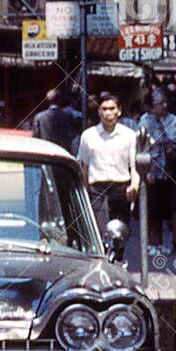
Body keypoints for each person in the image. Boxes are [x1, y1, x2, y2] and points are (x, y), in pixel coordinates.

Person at [74, 93, 140, 250]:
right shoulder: (88, 136)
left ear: (119, 111)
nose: (108, 113)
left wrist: (134, 185)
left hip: (121, 187)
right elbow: (84, 166)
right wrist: (85, 191)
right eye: (104, 109)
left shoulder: (129, 135)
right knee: (96, 230)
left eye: (111, 109)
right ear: (98, 112)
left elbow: (134, 166)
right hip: (96, 187)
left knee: (120, 231)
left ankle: (117, 260)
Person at [139, 86, 176, 253]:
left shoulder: (174, 120)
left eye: (164, 102)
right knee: (153, 208)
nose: (162, 106)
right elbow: (141, 148)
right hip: (153, 171)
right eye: (158, 103)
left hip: (172, 169)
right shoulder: (145, 121)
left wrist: (175, 146)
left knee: (174, 207)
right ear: (150, 106)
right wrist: (146, 170)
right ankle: (153, 243)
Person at [33, 86, 82, 154]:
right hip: (63, 154)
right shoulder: (68, 116)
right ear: (59, 100)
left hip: (45, 153)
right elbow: (72, 135)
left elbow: (35, 138)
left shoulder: (39, 117)